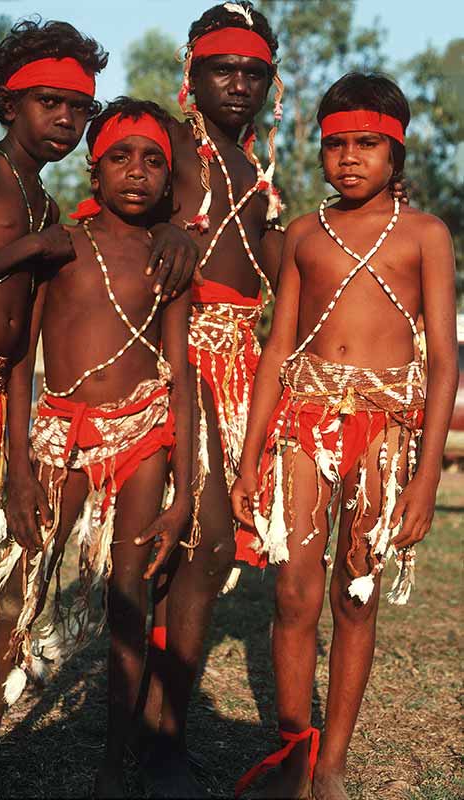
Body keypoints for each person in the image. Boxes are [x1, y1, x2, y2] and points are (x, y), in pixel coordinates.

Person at [231, 72, 458, 800]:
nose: (349, 158)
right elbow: (276, 351)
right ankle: (294, 751)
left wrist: (424, 480)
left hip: (386, 430)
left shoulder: (424, 234)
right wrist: (247, 461)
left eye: (367, 144)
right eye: (334, 145)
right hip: (305, 421)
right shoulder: (304, 234)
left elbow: (445, 363)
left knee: (353, 594)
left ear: (396, 151)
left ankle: (331, 766)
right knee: (293, 592)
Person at [0, 16, 109, 718]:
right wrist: (30, 249)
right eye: (50, 102)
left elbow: (21, 347)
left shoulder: (46, 202)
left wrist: (19, 462)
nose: (66, 120)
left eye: (80, 108)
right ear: (11, 104)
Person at [137, 2, 286, 795]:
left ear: (270, 81)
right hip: (177, 354)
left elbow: (276, 269)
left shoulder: (258, 174)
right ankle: (159, 741)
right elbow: (125, 199)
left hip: (238, 366)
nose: (238, 84)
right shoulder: (171, 143)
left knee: (193, 548)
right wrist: (159, 229)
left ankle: (153, 726)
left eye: (253, 72)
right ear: (191, 72)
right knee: (207, 544)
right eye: (222, 69)